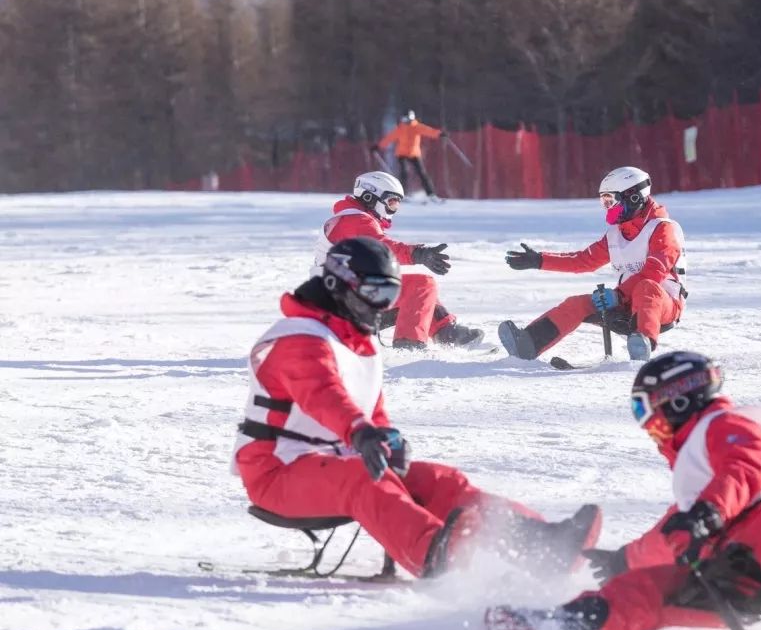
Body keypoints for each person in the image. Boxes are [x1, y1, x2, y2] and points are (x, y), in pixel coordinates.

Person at [234, 237, 603, 580]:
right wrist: (361, 433)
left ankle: (542, 543)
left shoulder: (356, 342)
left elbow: (371, 410)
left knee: (440, 481)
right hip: (276, 473)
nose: (381, 306)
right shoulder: (297, 337)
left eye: (390, 295)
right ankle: (434, 555)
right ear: (337, 286)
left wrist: (385, 437)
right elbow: (323, 394)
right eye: (374, 293)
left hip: (340, 459)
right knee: (365, 480)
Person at [484, 351, 761, 630]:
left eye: (647, 410)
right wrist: (625, 561)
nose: (650, 427)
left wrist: (711, 512)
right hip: (727, 579)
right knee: (638, 591)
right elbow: (674, 529)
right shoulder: (695, 471)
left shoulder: (728, 424)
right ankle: (559, 629)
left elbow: (744, 470)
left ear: (679, 398)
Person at [498, 166, 686, 363]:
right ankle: (527, 344)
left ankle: (642, 344)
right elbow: (583, 260)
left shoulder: (663, 229)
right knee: (577, 304)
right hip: (625, 302)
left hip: (664, 305)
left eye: (611, 201)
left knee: (647, 287)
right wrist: (540, 260)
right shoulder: (616, 234)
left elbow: (653, 273)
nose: (609, 208)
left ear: (633, 197)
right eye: (604, 202)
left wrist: (618, 294)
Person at [312, 171, 483, 350]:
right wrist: (417, 254)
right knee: (421, 285)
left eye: (397, 204)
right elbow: (382, 248)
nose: (394, 210)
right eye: (391, 203)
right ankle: (409, 345)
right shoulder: (355, 220)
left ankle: (446, 332)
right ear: (370, 197)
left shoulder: (350, 218)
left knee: (416, 289)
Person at [371, 110, 446, 200]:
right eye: (405, 120)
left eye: (408, 120)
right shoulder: (400, 128)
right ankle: (402, 194)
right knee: (404, 173)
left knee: (422, 173)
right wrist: (378, 146)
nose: (407, 122)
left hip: (414, 153)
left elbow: (429, 131)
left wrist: (439, 134)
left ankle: (431, 194)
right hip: (402, 153)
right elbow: (389, 138)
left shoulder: (417, 126)